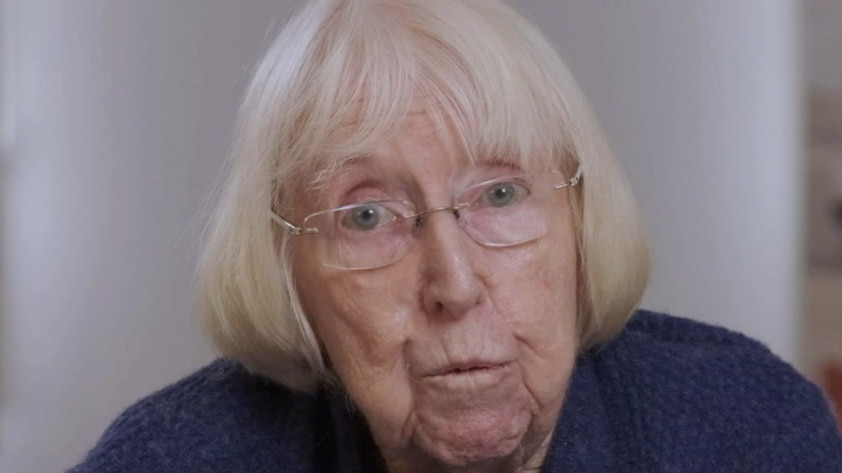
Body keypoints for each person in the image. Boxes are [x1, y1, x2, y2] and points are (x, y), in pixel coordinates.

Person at [67, 0, 842, 472]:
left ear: (580, 219)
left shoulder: (750, 428)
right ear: (286, 270)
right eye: (365, 215)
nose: (455, 282)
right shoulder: (175, 456)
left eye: (500, 193)